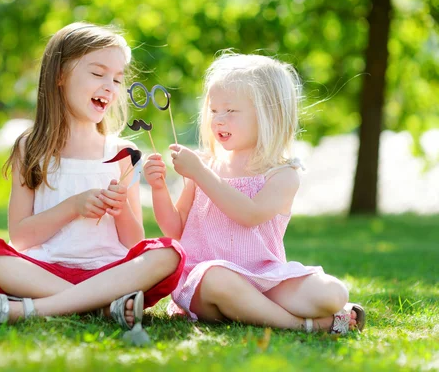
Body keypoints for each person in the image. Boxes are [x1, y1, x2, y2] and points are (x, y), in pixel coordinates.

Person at [0, 22, 185, 333]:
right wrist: (72, 207)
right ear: (60, 76)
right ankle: (101, 306)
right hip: (44, 271)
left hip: (109, 272)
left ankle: (31, 309)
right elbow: (21, 237)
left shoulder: (123, 152)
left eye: (117, 79)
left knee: (170, 253)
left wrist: (121, 211)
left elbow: (134, 242)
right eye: (97, 73)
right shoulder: (32, 148)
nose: (110, 86)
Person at [143, 53, 365, 334]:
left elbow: (249, 214)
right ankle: (302, 325)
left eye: (231, 111)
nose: (219, 120)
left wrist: (199, 172)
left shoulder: (282, 175)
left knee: (333, 293)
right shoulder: (207, 165)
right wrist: (159, 188)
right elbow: (175, 228)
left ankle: (272, 310)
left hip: (264, 277)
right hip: (207, 281)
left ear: (267, 115)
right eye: (213, 111)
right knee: (218, 279)